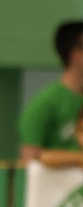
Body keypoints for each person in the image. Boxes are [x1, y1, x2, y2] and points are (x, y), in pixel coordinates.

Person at [19, 21, 83, 168]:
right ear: (76, 55)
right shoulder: (45, 103)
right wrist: (77, 158)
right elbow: (30, 157)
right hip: (58, 182)